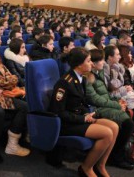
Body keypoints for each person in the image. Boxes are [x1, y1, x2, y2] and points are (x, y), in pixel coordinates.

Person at [49, 47, 119, 177]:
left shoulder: (81, 78)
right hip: (68, 124)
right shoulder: (64, 83)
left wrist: (87, 113)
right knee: (107, 133)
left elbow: (82, 102)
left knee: (114, 127)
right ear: (79, 65)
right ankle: (86, 168)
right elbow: (58, 112)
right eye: (88, 61)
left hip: (80, 118)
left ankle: (100, 165)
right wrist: (83, 119)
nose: (91, 63)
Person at [85, 49, 134, 170]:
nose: (104, 62)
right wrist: (116, 105)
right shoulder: (88, 77)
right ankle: (115, 157)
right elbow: (95, 99)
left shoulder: (100, 72)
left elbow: (107, 93)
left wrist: (116, 102)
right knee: (128, 123)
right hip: (97, 109)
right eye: (101, 60)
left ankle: (124, 153)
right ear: (93, 63)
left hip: (106, 105)